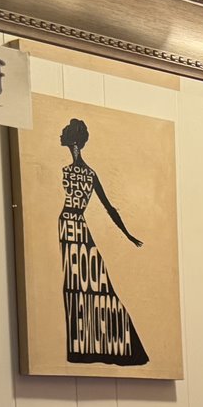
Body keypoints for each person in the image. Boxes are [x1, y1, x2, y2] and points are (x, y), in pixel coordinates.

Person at [57, 117, 149, 366]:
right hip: (74, 225)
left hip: (71, 225)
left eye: (64, 133)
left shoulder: (69, 172)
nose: (60, 136)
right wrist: (127, 234)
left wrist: (128, 234)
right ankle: (85, 346)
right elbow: (109, 207)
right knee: (80, 283)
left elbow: (109, 207)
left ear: (73, 141)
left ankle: (92, 347)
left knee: (83, 283)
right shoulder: (87, 173)